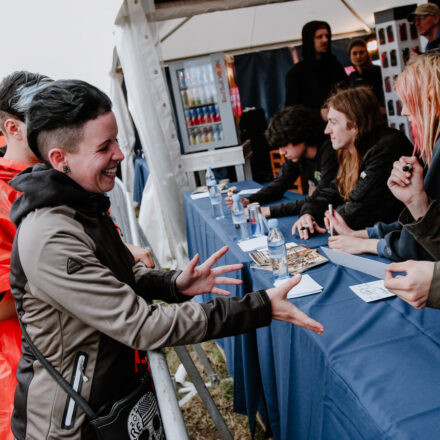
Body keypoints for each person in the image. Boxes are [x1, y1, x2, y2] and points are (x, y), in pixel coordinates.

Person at [8, 79, 324, 439]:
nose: (120, 155)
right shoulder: (51, 235)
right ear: (59, 159)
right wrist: (260, 307)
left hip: (112, 401)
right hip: (75, 425)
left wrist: (171, 284)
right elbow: (141, 325)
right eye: (103, 146)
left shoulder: (81, 202)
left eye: (116, 141)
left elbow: (118, 277)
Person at [327, 54, 440, 261]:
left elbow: (419, 245)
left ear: (430, 97)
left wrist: (364, 242)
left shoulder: (388, 146)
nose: (404, 111)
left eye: (409, 101)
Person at [0, 71, 52, 440]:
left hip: (83, 359)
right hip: (24, 370)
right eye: (44, 116)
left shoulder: (58, 176)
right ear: (13, 128)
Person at [291, 86, 413, 240]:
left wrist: (320, 217)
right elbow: (331, 191)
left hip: (399, 243)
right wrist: (308, 213)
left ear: (355, 125)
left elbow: (357, 211)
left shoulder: (387, 148)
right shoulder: (350, 150)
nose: (326, 130)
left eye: (333, 122)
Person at [225, 105, 338, 218]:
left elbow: (320, 199)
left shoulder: (330, 152)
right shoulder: (296, 156)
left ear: (301, 135)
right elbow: (279, 185)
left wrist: (269, 211)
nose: (281, 152)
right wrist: (249, 200)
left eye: (284, 145)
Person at [285, 20, 346, 119]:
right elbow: (291, 111)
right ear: (309, 39)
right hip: (312, 129)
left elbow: (347, 94)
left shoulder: (336, 67)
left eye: (327, 36)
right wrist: (318, 114)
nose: (325, 40)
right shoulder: (296, 73)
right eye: (319, 37)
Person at [347, 39, 385, 108]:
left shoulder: (378, 71)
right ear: (350, 56)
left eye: (361, 52)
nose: (358, 56)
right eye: (354, 53)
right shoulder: (351, 77)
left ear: (367, 54)